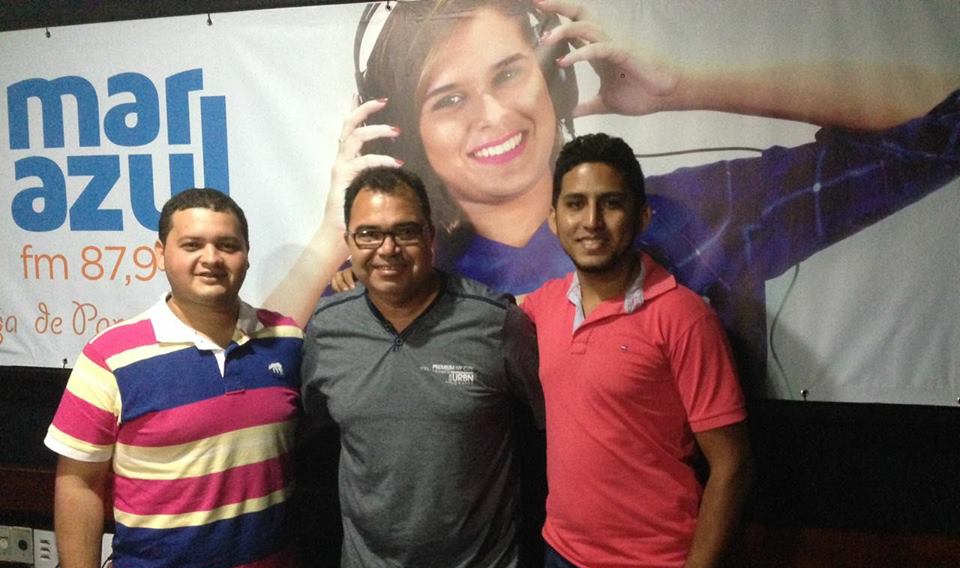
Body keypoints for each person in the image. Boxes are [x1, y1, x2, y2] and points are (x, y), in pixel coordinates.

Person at [265, 0, 960, 392]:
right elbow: (256, 381)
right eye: (449, 98)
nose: (494, 115)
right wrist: (330, 236)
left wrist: (682, 87)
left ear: (554, 80)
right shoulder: (395, 273)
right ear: (405, 134)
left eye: (509, 74)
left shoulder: (687, 218)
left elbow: (940, 128)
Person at [44, 188, 303, 568]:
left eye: (227, 245)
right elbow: (78, 486)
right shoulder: (110, 357)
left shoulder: (287, 339)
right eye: (192, 244)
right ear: (160, 254)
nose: (211, 258)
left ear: (246, 254)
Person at [522, 133, 752, 568]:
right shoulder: (542, 306)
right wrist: (352, 280)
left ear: (642, 215)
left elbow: (732, 466)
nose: (591, 221)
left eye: (611, 203)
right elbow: (461, 311)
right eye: (575, 204)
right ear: (553, 218)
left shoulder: (683, 318)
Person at [300, 166, 543, 568]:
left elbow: (553, 429)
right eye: (369, 234)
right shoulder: (328, 329)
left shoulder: (494, 322)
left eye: (405, 231)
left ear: (431, 237)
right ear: (349, 242)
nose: (387, 249)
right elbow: (306, 426)